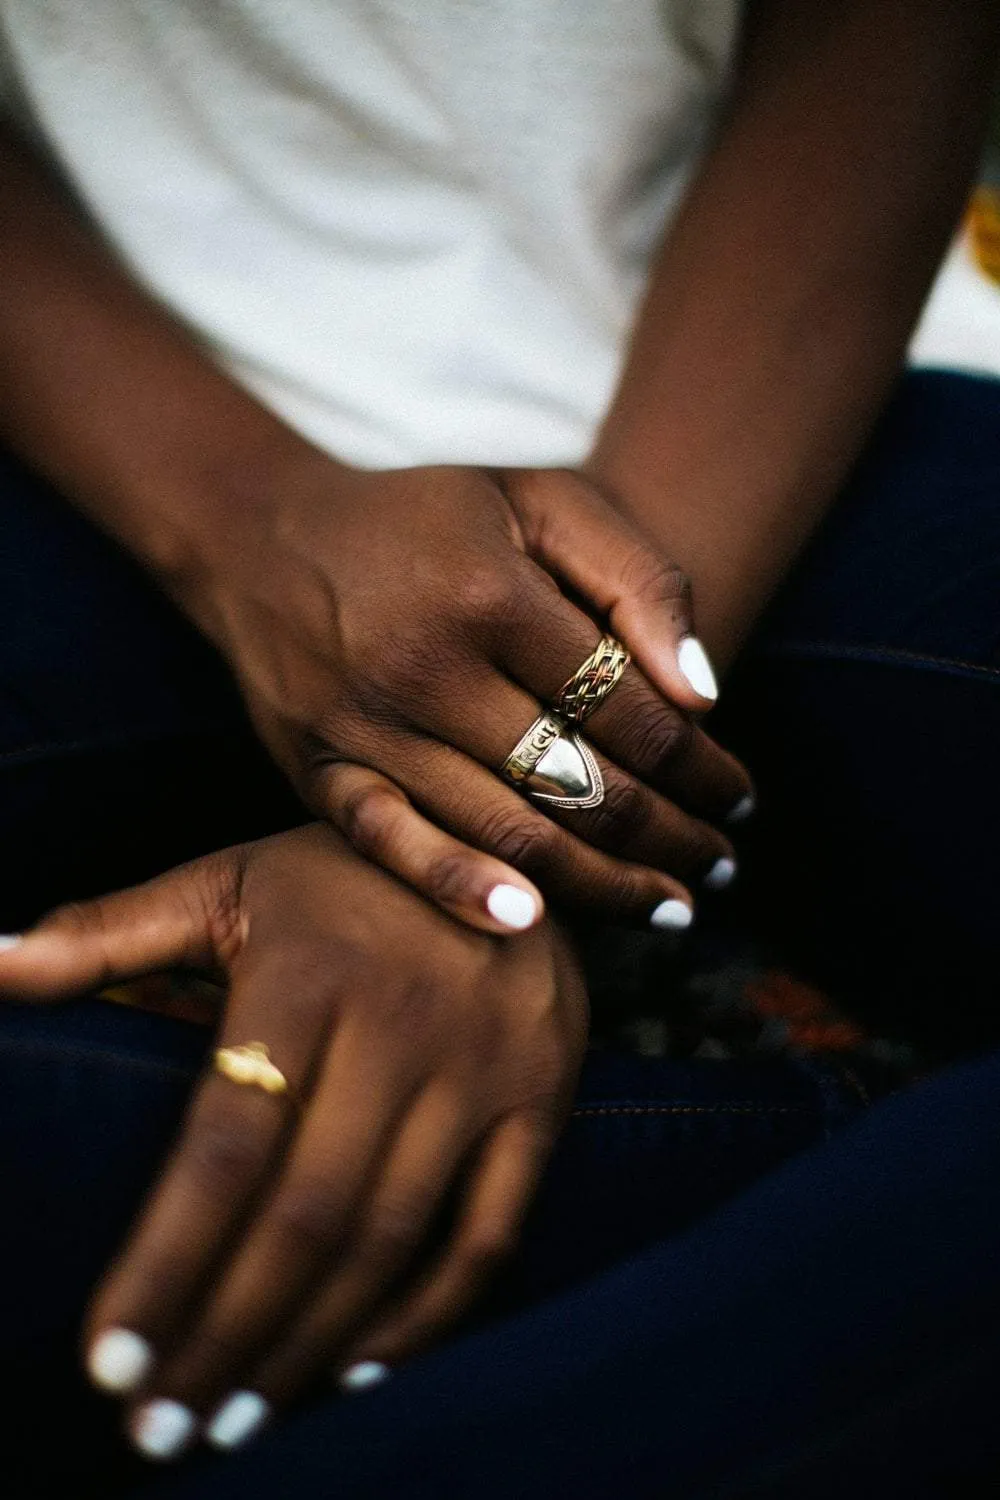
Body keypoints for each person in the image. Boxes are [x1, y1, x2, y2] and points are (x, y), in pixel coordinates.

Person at [0, 1, 999, 1493]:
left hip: (779, 429)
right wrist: (249, 526)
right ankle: (840, 1193)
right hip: (129, 441)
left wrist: (469, 853)